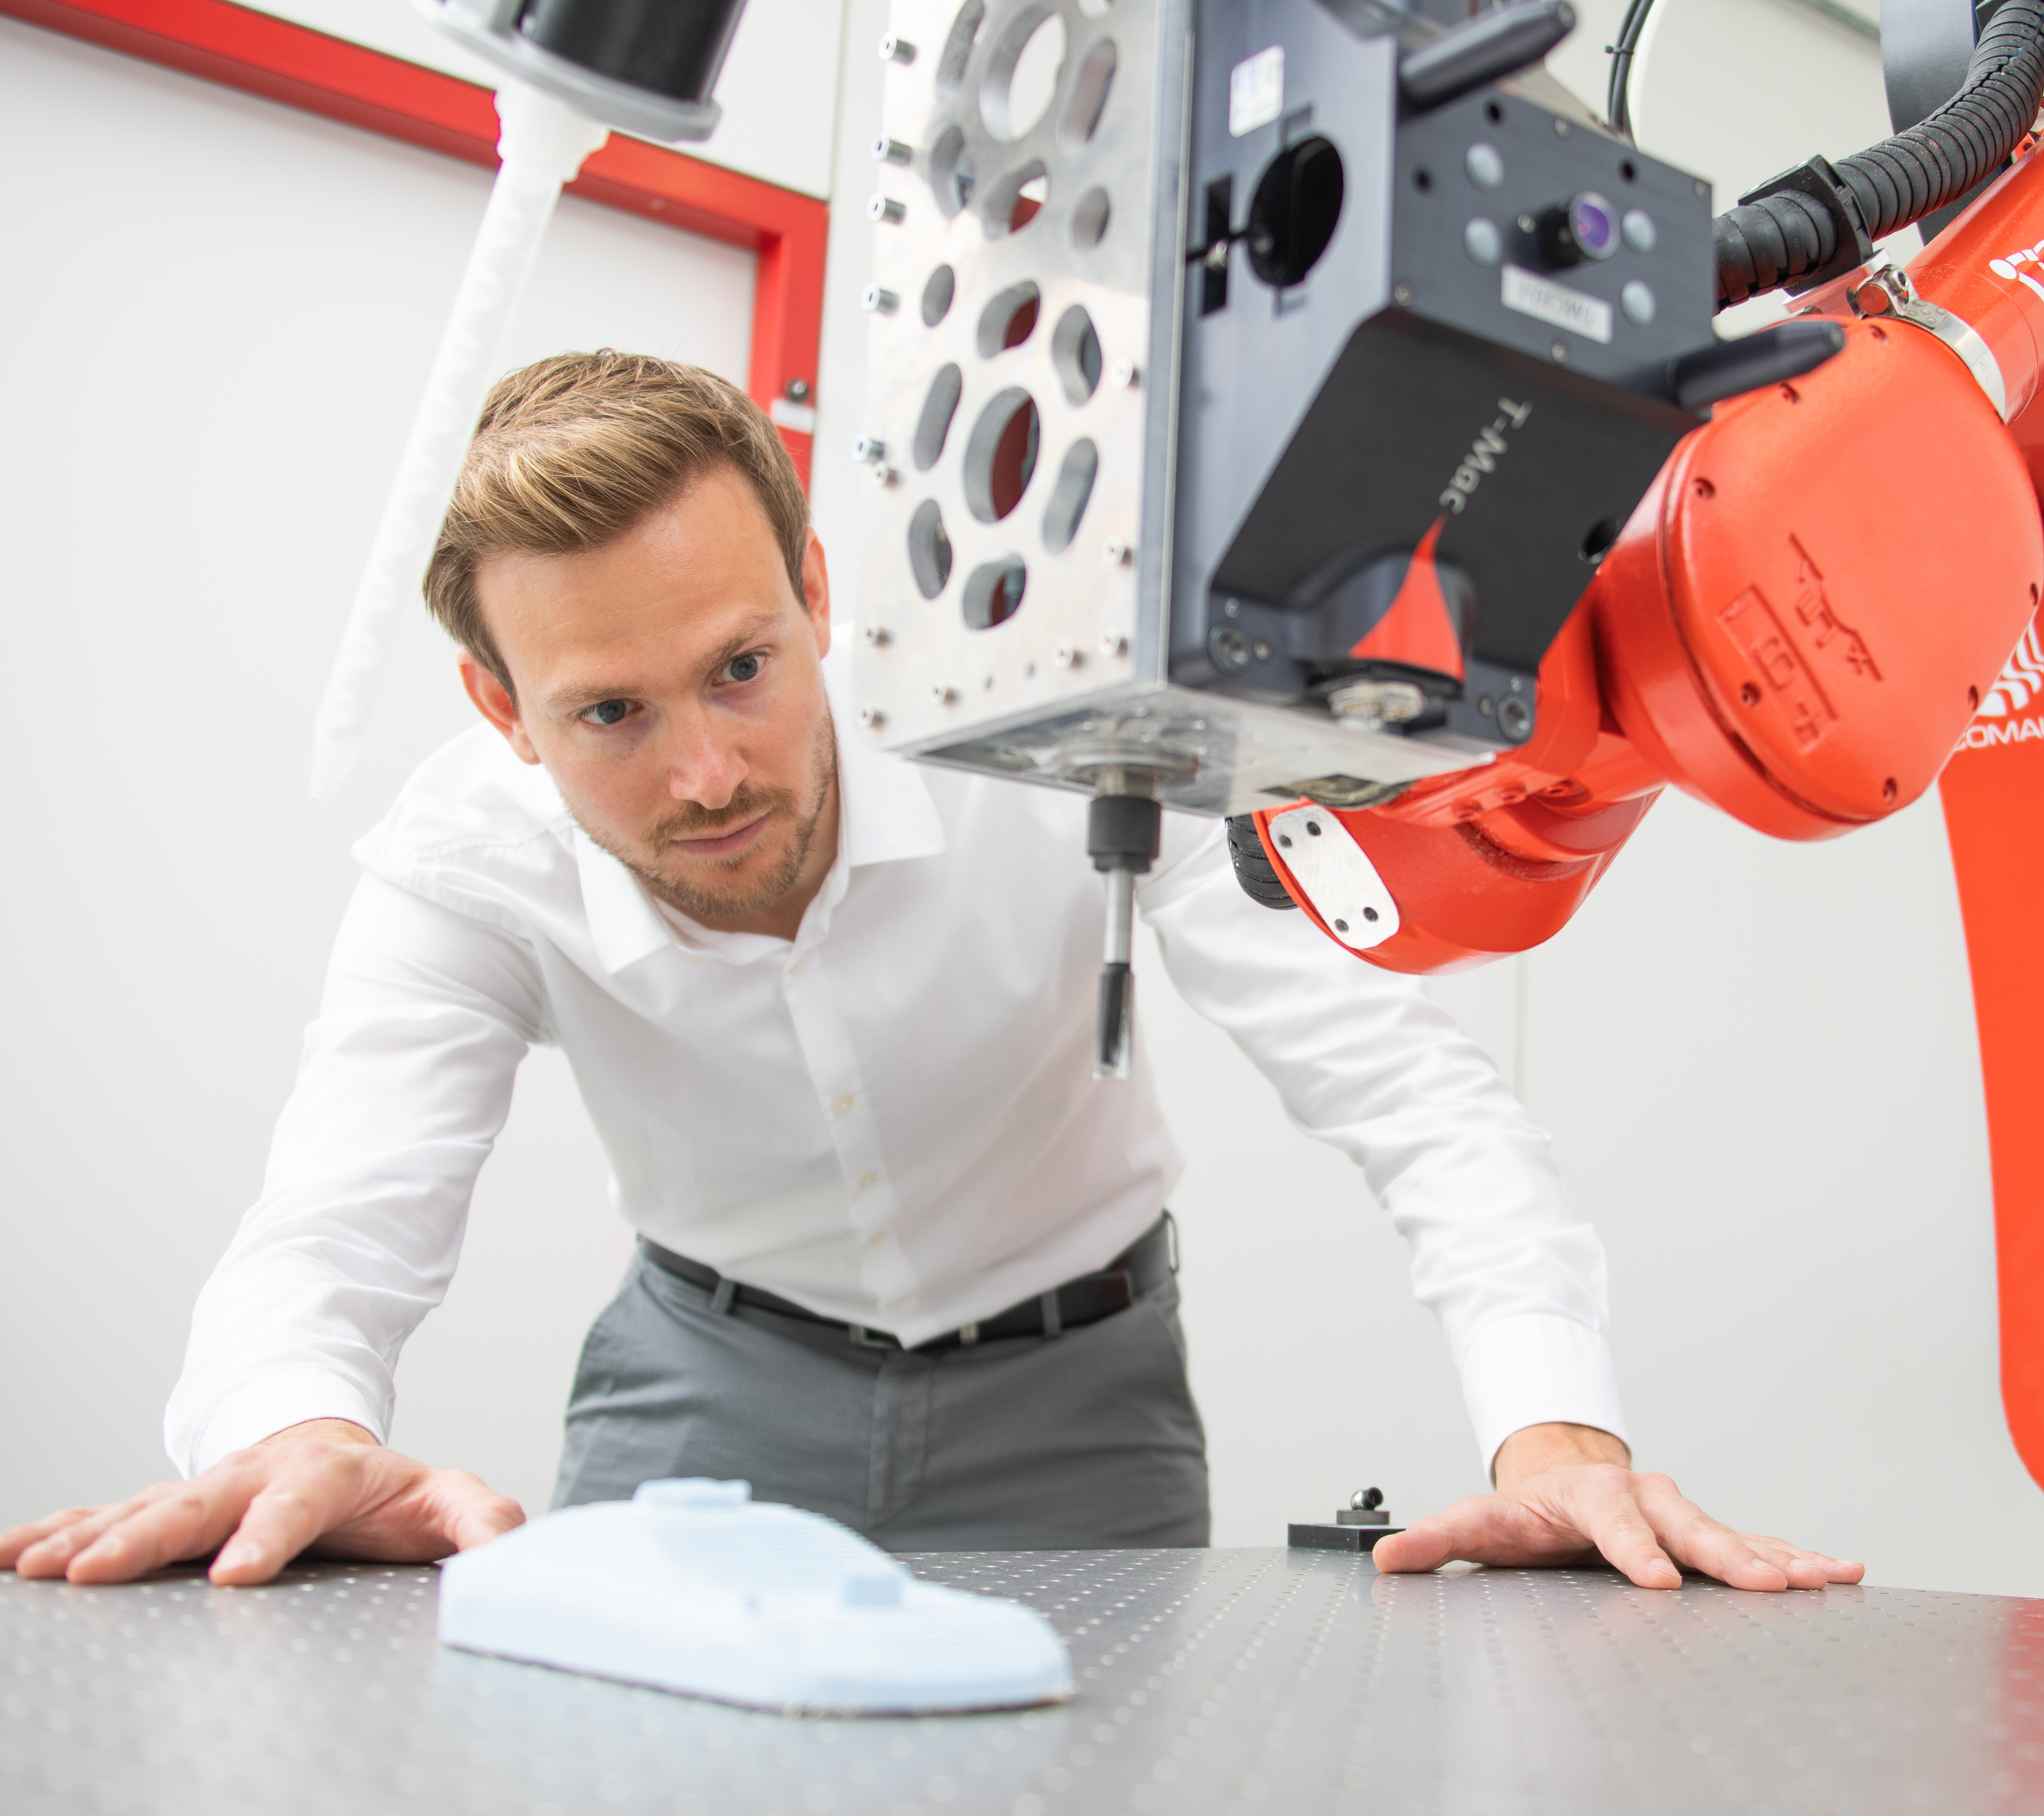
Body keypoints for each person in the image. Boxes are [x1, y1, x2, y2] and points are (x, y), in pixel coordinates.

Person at [0, 352, 1861, 1597]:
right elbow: (331, 1227)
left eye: (742, 667)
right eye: (611, 716)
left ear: (817, 589)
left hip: (1082, 1397)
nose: (709, 773)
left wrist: (1553, 1430)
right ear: (501, 712)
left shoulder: (1051, 725)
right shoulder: (462, 857)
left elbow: (1409, 1090)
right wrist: (291, 1432)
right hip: (703, 1391)